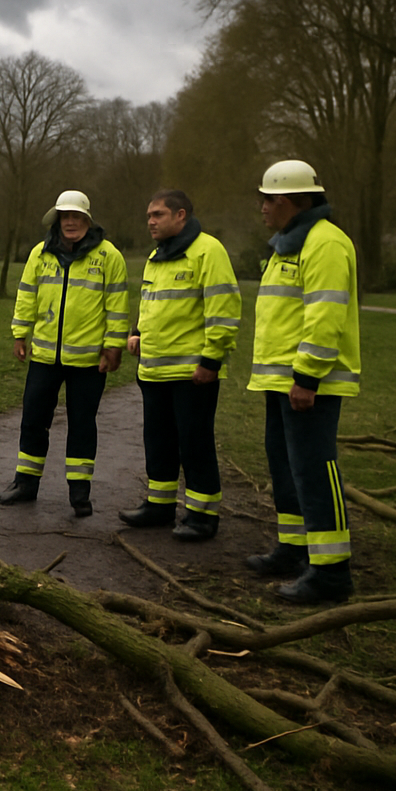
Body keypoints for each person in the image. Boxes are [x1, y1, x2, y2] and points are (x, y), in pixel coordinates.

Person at [247, 159, 361, 604]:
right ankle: (294, 548)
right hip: (283, 381)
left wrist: (307, 377)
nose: (262, 207)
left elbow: (324, 315)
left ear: (291, 201)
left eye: (268, 199)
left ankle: (331, 572)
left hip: (310, 384)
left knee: (314, 470)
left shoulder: (325, 243)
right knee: (286, 467)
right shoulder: (289, 245)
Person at [0, 189, 128, 516]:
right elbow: (26, 295)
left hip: (88, 360)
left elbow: (117, 305)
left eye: (77, 217)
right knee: (33, 420)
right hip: (44, 356)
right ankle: (25, 483)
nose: (71, 222)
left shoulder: (109, 256)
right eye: (65, 217)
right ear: (57, 220)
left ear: (87, 220)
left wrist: (113, 345)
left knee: (82, 424)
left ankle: (79, 492)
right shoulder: (40, 254)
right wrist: (20, 334)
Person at [119, 190, 241, 541]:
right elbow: (150, 303)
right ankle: (159, 506)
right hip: (154, 370)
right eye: (148, 216)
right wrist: (136, 332)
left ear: (180, 215)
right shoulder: (157, 256)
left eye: (157, 214)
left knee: (195, 443)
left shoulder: (208, 251)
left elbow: (223, 310)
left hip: (192, 373)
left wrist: (211, 360)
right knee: (158, 441)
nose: (150, 222)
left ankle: (202, 516)